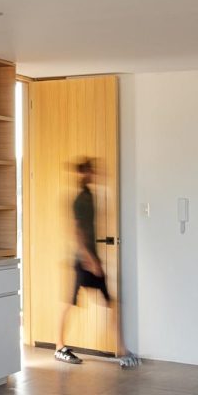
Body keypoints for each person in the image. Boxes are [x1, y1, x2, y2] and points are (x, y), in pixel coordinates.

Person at [55, 157, 133, 366]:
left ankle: (122, 350)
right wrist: (90, 260)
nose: (92, 175)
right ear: (84, 174)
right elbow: (77, 232)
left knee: (109, 303)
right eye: (89, 171)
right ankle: (59, 347)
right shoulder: (81, 199)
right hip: (83, 261)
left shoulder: (89, 196)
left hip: (89, 259)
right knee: (69, 303)